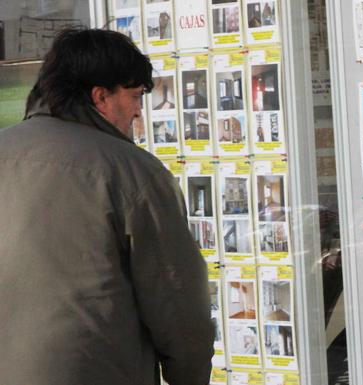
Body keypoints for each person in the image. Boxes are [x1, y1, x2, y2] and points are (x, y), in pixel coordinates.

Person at [0, 28, 214, 385]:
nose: (138, 113)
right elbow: (178, 304)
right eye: (134, 96)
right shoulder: (132, 172)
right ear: (100, 97)